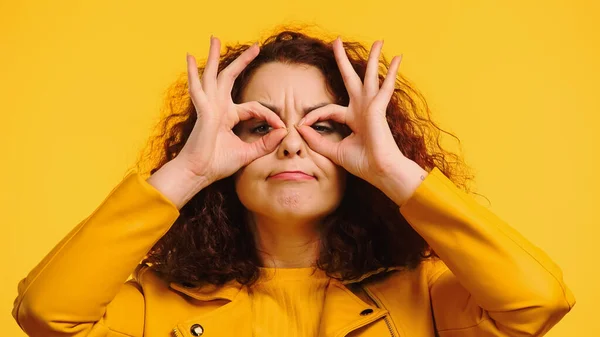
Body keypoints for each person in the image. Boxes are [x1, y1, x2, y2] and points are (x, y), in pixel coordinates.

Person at [12, 29, 575, 337]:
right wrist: (187, 171)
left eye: (325, 125)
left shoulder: (427, 297)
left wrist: (393, 171)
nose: (290, 143)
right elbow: (46, 316)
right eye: (257, 125)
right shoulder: (153, 306)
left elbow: (536, 306)